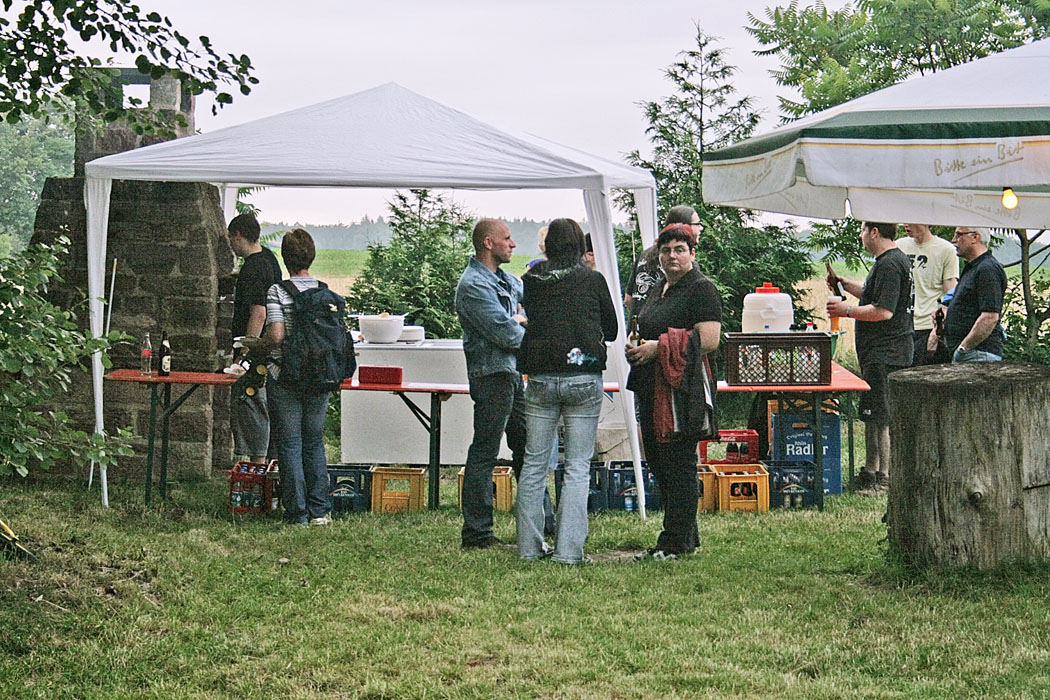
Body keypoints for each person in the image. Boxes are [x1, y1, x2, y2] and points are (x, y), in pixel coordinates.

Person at [516, 219, 618, 564]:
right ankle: (569, 551)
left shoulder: (531, 279)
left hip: (541, 375)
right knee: (576, 466)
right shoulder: (592, 280)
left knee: (534, 464)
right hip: (583, 375)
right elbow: (612, 329)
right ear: (578, 246)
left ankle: (529, 548)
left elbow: (532, 318)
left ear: (548, 246)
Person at [626, 223, 721, 560]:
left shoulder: (701, 289)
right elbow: (648, 325)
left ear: (692, 253)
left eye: (679, 250)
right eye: (666, 251)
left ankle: (673, 542)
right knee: (658, 460)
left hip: (682, 389)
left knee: (678, 463)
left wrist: (658, 348)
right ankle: (685, 536)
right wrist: (638, 343)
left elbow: (708, 340)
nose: (672, 256)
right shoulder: (660, 287)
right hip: (652, 385)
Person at [456, 219, 552, 548]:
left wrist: (524, 318)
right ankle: (477, 532)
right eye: (507, 238)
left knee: (527, 447)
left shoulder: (506, 280)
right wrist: (523, 325)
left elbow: (537, 310)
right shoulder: (473, 286)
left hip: (511, 373)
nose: (513, 244)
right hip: (490, 375)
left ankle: (543, 522)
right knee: (485, 451)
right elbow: (506, 332)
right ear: (488, 243)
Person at [243, 229, 332, 526]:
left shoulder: (277, 292)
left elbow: (277, 335)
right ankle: (320, 511)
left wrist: (257, 344)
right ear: (311, 257)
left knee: (290, 444)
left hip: (286, 377)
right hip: (319, 378)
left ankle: (297, 513)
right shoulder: (324, 291)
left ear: (285, 258)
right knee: (314, 443)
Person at [826, 222, 913, 491]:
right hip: (880, 352)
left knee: (881, 417)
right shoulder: (888, 262)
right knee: (872, 414)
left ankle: (884, 477)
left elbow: (883, 311)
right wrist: (845, 285)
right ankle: (870, 470)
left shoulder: (890, 264)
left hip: (887, 352)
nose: (861, 235)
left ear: (875, 232)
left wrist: (846, 311)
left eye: (863, 229)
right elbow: (871, 294)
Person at [226, 213, 282, 465]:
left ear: (238, 235)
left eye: (230, 238)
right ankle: (269, 465)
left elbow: (259, 313)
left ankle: (257, 467)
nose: (231, 244)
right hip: (273, 349)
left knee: (251, 406)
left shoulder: (252, 268)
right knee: (267, 409)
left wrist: (243, 353)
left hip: (255, 352)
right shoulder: (269, 258)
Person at [937, 226, 1007, 363]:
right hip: (971, 354)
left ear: (975, 237)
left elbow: (990, 317)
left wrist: (964, 348)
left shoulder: (987, 269)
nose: (953, 240)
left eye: (959, 235)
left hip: (978, 354)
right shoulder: (973, 267)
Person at [897, 224, 958, 365]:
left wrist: (937, 332)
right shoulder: (899, 246)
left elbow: (950, 296)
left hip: (928, 326)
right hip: (902, 327)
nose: (906, 224)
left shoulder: (946, 250)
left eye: (911, 219)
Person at [624, 205, 702, 312]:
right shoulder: (684, 264)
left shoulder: (644, 255)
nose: (700, 228)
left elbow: (628, 299)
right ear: (683, 226)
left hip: (638, 320)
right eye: (697, 224)